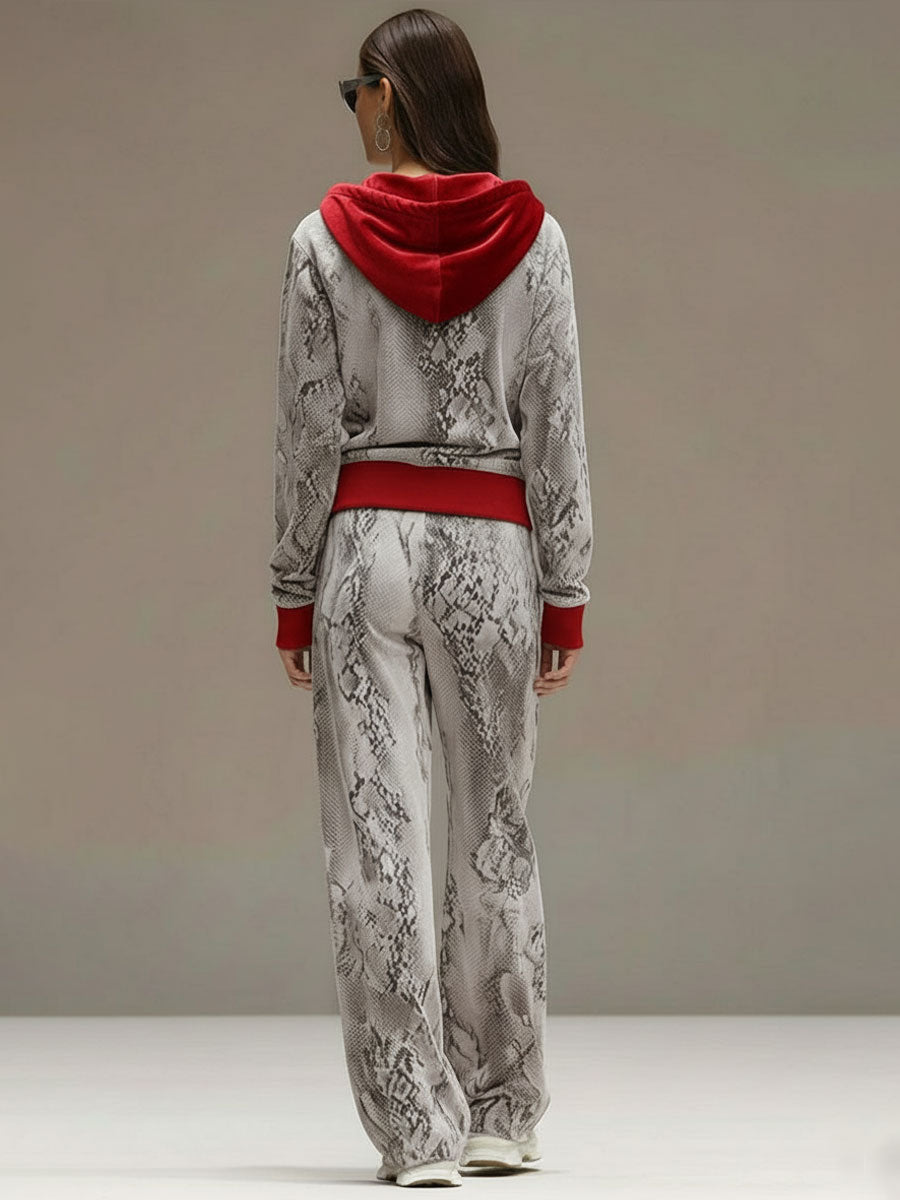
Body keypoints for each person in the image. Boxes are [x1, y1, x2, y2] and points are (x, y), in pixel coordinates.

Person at [269, 7, 592, 1188]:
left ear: (390, 97)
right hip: (494, 557)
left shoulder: (323, 239)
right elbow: (556, 418)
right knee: (493, 833)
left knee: (378, 841)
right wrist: (566, 589)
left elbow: (309, 429)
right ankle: (502, 1110)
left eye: (356, 91)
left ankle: (416, 1132)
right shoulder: (536, 238)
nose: (352, 109)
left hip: (368, 555)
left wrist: (292, 589)